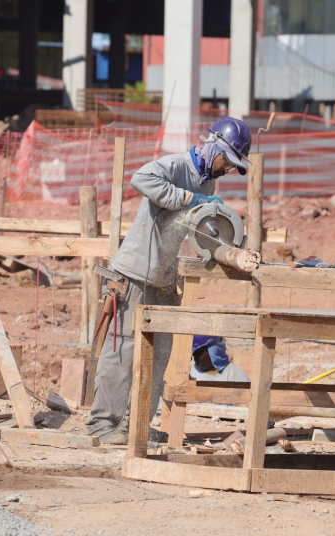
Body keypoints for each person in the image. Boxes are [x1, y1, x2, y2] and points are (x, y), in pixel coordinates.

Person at [86, 117, 253, 444]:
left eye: (234, 166)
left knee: (160, 352)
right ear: (213, 147)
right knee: (123, 350)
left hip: (163, 277)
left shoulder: (208, 184)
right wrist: (192, 200)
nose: (228, 169)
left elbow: (193, 230)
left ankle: (136, 425)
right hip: (135, 272)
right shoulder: (176, 166)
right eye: (227, 161)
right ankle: (103, 424)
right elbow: (140, 178)